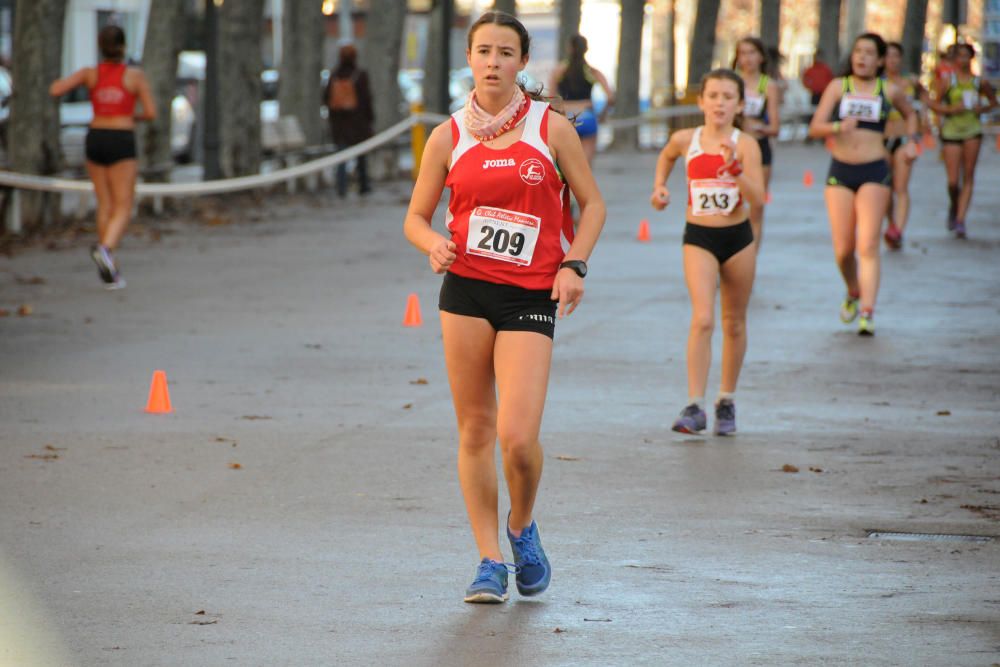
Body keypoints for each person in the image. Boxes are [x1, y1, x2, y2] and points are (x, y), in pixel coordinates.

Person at [403, 11, 605, 603]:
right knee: (475, 429)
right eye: (483, 51)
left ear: (523, 62)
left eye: (506, 52)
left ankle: (522, 527)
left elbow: (592, 206)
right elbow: (414, 217)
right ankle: (488, 559)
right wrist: (432, 242)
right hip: (465, 291)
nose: (493, 61)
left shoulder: (551, 128)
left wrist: (574, 265)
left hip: (530, 292)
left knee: (517, 438)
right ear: (469, 59)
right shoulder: (447, 136)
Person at [649, 69, 765, 436]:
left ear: (740, 104)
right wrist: (660, 188)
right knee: (702, 318)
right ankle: (695, 405)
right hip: (699, 236)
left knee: (733, 322)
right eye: (712, 95)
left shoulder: (745, 143)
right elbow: (666, 156)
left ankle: (726, 399)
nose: (719, 103)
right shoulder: (687, 139)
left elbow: (758, 197)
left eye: (727, 96)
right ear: (701, 101)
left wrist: (735, 171)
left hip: (738, 238)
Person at [808, 33, 918, 337]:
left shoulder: (889, 89)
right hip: (840, 171)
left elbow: (911, 115)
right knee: (844, 250)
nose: (862, 57)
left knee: (867, 244)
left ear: (880, 60)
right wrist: (836, 126)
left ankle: (868, 312)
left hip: (874, 170)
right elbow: (815, 127)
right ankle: (854, 290)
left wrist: (911, 143)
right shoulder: (837, 87)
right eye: (858, 51)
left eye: (870, 53)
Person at [49, 25, 155, 289]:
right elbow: (151, 112)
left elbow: (56, 89)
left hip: (95, 136)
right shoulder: (134, 76)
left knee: (105, 202)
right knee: (123, 204)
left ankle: (110, 270)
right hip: (121, 138)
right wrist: (132, 117)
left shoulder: (90, 74)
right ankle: (106, 249)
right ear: (123, 46)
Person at [927, 43, 998, 238]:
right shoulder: (948, 81)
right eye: (960, 56)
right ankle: (954, 204)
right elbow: (934, 104)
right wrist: (951, 110)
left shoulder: (978, 82)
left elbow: (994, 102)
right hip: (951, 131)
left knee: (968, 175)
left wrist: (980, 109)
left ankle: (960, 219)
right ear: (955, 59)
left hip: (972, 130)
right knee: (952, 180)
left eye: (967, 56)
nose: (964, 60)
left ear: (972, 58)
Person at [732, 37, 779, 246]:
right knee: (732, 205)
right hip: (732, 148)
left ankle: (750, 258)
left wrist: (759, 127)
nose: (747, 58)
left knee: (756, 206)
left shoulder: (768, 85)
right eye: (743, 53)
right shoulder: (731, 83)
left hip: (760, 149)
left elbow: (775, 127)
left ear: (761, 57)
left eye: (752, 52)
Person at [882, 42, 928, 249]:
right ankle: (891, 223)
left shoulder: (909, 82)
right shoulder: (877, 83)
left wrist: (924, 117)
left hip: (903, 139)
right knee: (885, 188)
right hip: (881, 140)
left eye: (896, 56)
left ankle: (898, 230)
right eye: (888, 56)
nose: (892, 60)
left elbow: (924, 99)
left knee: (901, 187)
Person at [548, 34, 614, 166]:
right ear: (586, 49)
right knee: (585, 168)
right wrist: (602, 115)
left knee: (564, 168)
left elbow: (551, 98)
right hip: (588, 116)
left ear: (569, 48)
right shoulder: (592, 72)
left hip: (565, 119)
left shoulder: (559, 71)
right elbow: (610, 98)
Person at [325, 44, 374, 197]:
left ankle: (341, 187)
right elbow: (367, 100)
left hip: (339, 125)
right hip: (358, 124)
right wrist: (370, 119)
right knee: (361, 156)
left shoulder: (334, 75)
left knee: (341, 157)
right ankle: (363, 185)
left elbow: (326, 98)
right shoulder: (360, 75)